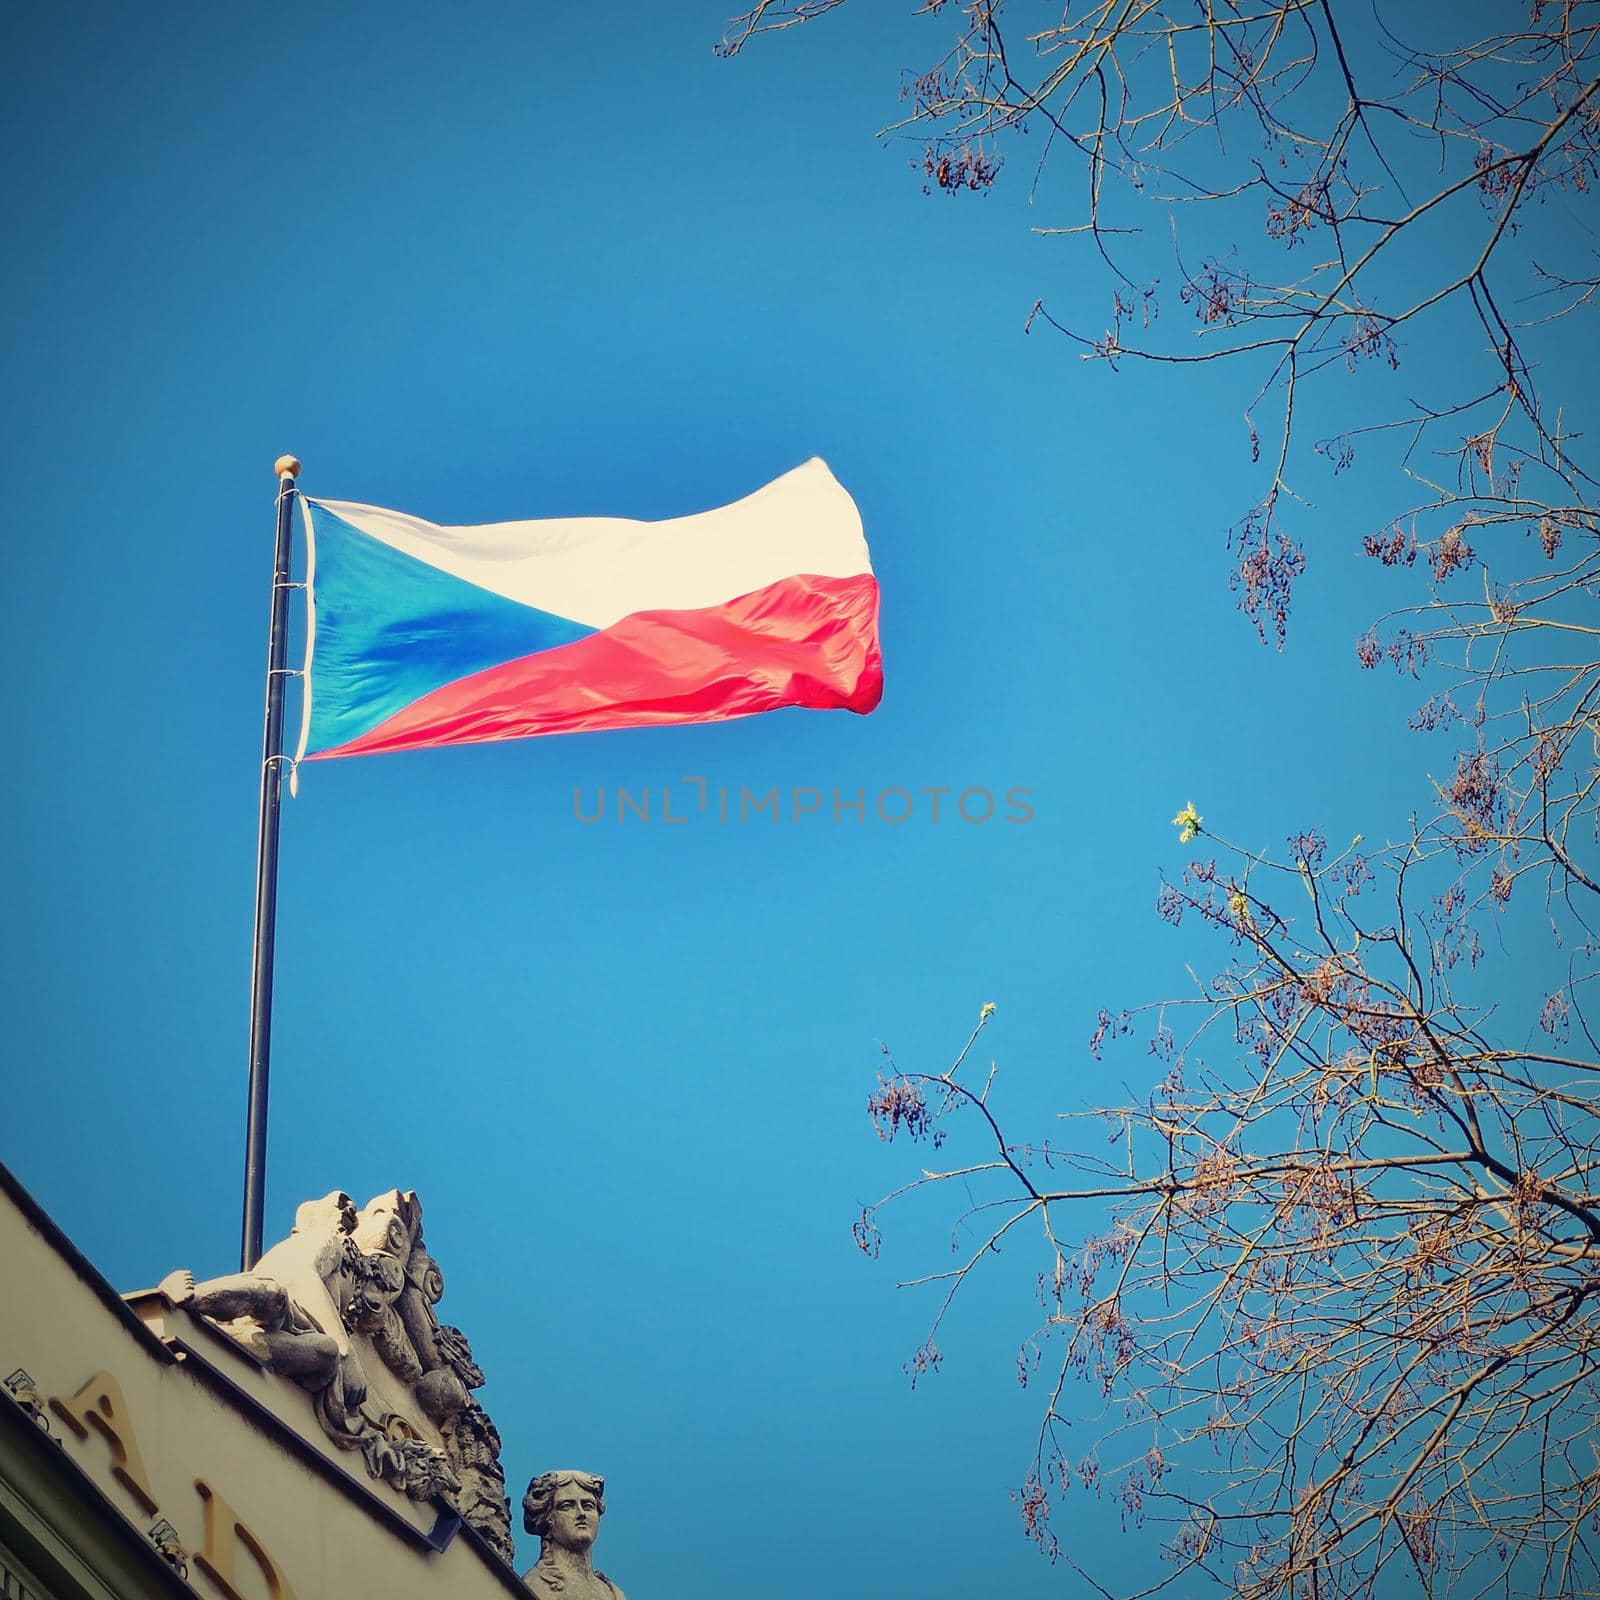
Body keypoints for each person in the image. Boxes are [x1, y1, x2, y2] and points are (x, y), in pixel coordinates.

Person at [521, 1470, 626, 1599]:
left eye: (588, 1505)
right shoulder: (535, 1585)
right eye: (566, 1506)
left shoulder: (613, 1593)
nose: (581, 1513)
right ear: (547, 1518)